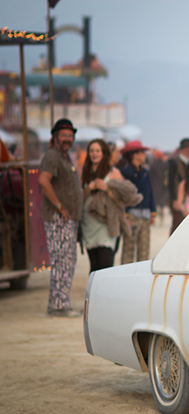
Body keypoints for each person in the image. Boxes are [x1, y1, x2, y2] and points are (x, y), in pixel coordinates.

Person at [38, 119, 84, 317]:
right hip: (58, 219)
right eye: (63, 135)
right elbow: (43, 181)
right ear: (55, 137)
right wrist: (59, 206)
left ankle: (60, 301)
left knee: (68, 260)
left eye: (70, 135)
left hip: (67, 219)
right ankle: (58, 305)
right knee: (61, 261)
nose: (67, 139)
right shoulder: (52, 156)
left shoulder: (64, 157)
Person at [79, 139, 124, 272]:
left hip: (106, 223)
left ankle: (105, 292)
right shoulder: (85, 172)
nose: (94, 154)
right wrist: (89, 188)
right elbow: (80, 197)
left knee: (106, 265)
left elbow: (122, 197)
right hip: (89, 223)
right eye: (91, 151)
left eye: (97, 151)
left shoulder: (113, 172)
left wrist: (106, 188)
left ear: (104, 153)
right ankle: (92, 293)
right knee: (93, 266)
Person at [119, 140, 157, 264]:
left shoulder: (144, 172)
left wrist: (153, 211)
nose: (144, 155)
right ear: (135, 154)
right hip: (131, 215)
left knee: (144, 251)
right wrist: (125, 214)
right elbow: (122, 195)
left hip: (145, 215)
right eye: (142, 153)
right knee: (128, 250)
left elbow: (150, 192)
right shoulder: (125, 172)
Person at [166, 137, 189, 234]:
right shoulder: (174, 162)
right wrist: (174, 199)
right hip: (177, 197)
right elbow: (170, 182)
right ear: (186, 148)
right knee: (177, 224)